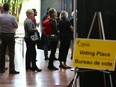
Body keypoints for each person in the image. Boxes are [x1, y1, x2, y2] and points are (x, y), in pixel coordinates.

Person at [0, 3, 19, 74]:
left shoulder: (0, 16)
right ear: (9, 8)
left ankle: (1, 68)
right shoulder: (12, 17)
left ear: (3, 9)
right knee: (11, 52)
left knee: (2, 52)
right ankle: (12, 69)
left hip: (2, 35)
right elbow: (16, 25)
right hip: (10, 35)